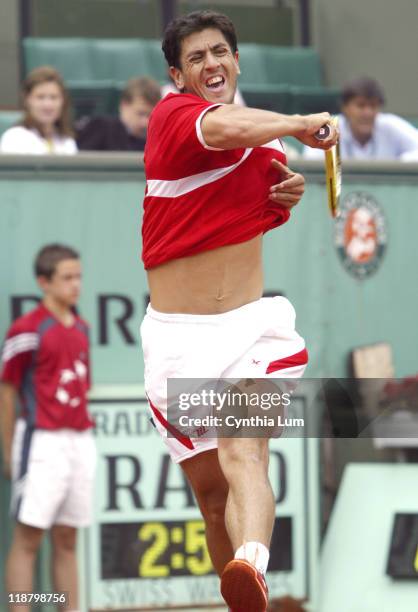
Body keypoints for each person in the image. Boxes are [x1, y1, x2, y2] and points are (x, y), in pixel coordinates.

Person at [140, 10, 337, 612]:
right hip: (178, 340)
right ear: (178, 75)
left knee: (243, 449)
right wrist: (301, 122)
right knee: (212, 501)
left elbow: (255, 201)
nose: (212, 64)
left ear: (237, 60)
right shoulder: (175, 115)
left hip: (254, 329)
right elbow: (222, 132)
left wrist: (289, 193)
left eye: (220, 52)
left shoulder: (267, 138)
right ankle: (240, 594)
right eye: (196, 58)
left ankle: (252, 565)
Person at [0, 244, 95, 612]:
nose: (76, 285)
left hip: (80, 441)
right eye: (67, 278)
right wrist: (9, 451)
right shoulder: (27, 329)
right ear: (44, 282)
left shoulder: (83, 326)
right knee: (28, 538)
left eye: (79, 277)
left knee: (68, 536)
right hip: (41, 443)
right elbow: (7, 392)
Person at [303, 76, 418, 160]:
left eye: (373, 106)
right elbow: (310, 162)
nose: (367, 113)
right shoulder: (329, 128)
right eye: (361, 105)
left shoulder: (391, 125)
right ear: (345, 108)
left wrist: (397, 165)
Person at [0, 66, 77, 155]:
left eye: (54, 97)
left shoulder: (67, 140)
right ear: (27, 100)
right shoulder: (15, 137)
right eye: (40, 97)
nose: (48, 105)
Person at [76, 76, 161, 152]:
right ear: (124, 105)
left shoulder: (155, 142)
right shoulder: (100, 127)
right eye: (140, 114)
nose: (145, 122)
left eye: (150, 116)